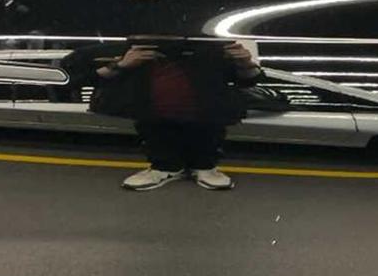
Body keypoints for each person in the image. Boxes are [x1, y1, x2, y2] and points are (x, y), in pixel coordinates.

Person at [63, 37, 263, 190]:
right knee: (156, 129)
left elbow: (248, 80)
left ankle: (204, 167)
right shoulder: (131, 50)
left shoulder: (213, 49)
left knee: (206, 125)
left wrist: (245, 62)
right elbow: (84, 79)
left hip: (206, 114)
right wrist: (122, 64)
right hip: (153, 114)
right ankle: (165, 167)